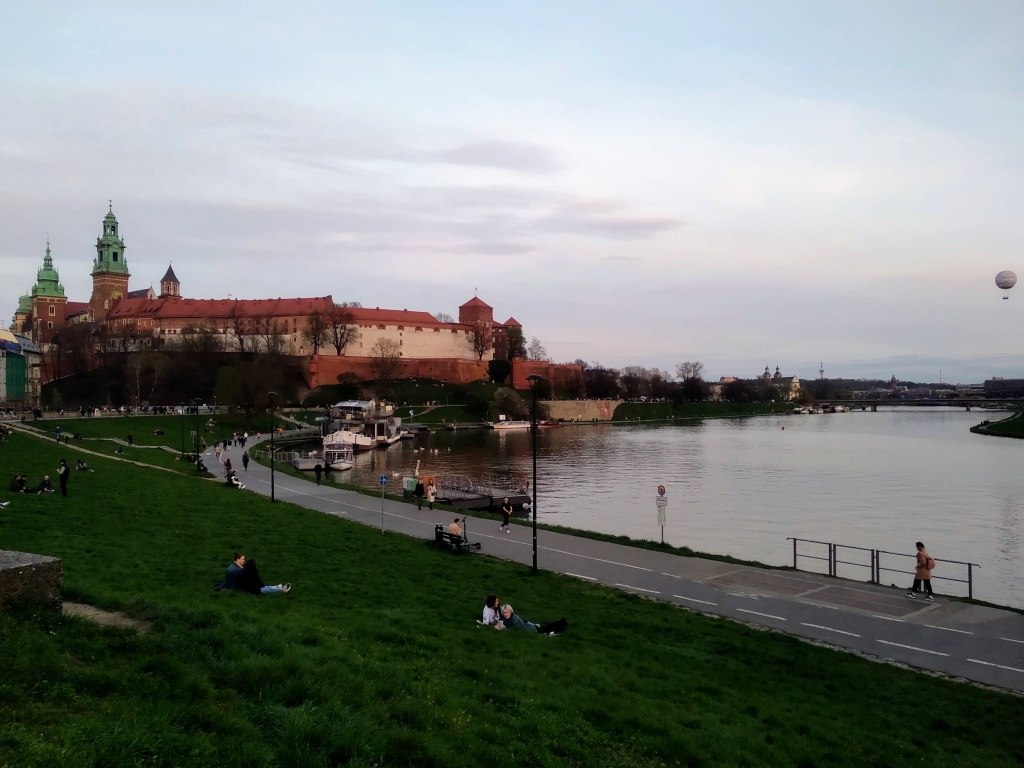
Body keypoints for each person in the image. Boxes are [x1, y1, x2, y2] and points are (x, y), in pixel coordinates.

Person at [224, 553, 290, 594]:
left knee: (268, 588)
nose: (244, 561)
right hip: (252, 590)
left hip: (247, 589)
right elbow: (260, 584)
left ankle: (279, 587)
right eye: (243, 559)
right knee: (267, 588)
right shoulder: (252, 574)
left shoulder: (243, 571)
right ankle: (281, 589)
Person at [493, 604, 567, 635]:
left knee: (546, 630)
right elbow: (502, 622)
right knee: (546, 627)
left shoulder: (514, 618)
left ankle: (561, 625)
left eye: (507, 612)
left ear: (510, 612)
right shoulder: (506, 618)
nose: (506, 614)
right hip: (529, 627)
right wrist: (498, 626)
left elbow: (515, 629)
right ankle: (561, 623)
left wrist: (504, 628)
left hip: (531, 629)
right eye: (504, 613)